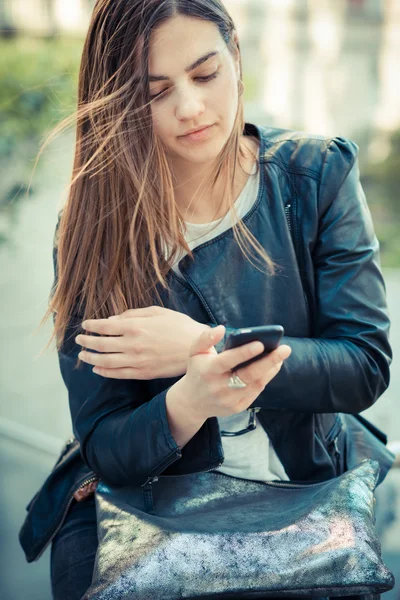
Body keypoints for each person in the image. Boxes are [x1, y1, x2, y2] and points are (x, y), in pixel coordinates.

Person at [19, 1, 395, 599]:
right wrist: (188, 401)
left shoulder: (314, 175)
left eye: (205, 74)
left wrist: (202, 348)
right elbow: (107, 443)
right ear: (117, 102)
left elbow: (363, 365)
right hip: (155, 520)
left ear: (236, 59)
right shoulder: (95, 225)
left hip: (305, 497)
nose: (189, 108)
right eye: (155, 91)